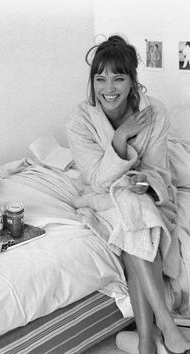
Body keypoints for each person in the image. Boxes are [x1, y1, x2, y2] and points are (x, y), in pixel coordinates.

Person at [66, 35, 190, 354]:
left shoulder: (155, 113)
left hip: (140, 196)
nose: (109, 87)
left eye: (118, 77)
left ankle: (147, 341)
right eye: (100, 78)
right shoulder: (80, 121)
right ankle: (166, 322)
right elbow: (95, 179)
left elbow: (159, 171)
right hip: (101, 197)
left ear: (132, 81)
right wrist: (121, 137)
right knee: (134, 213)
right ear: (92, 82)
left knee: (133, 219)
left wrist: (143, 182)